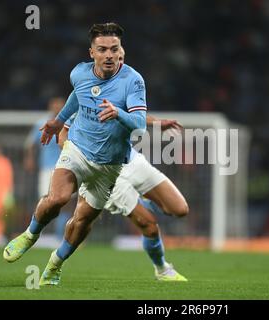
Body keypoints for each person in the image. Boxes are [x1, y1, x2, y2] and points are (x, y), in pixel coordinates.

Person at [3, 22, 148, 286]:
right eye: (102, 49)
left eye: (114, 49)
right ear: (91, 52)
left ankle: (55, 264)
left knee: (82, 221)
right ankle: (30, 235)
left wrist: (119, 113)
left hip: (110, 164)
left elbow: (139, 124)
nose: (109, 55)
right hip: (78, 150)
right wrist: (59, 122)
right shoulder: (79, 74)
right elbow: (77, 96)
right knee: (57, 198)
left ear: (120, 51)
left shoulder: (133, 80)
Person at [60, 48, 189, 281]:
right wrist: (76, 160)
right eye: (107, 54)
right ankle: (162, 269)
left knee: (179, 209)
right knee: (149, 224)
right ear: (95, 57)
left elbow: (136, 116)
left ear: (122, 58)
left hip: (132, 160)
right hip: (107, 172)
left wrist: (158, 122)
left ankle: (144, 197)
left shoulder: (129, 83)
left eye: (118, 55)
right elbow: (63, 131)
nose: (112, 59)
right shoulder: (86, 92)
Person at [24, 96, 73, 240]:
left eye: (60, 105)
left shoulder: (69, 122)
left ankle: (62, 235)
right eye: (55, 105)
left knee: (67, 203)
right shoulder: (42, 123)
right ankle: (36, 233)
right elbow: (31, 144)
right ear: (50, 107)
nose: (57, 108)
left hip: (67, 167)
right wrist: (30, 158)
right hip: (47, 168)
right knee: (46, 200)